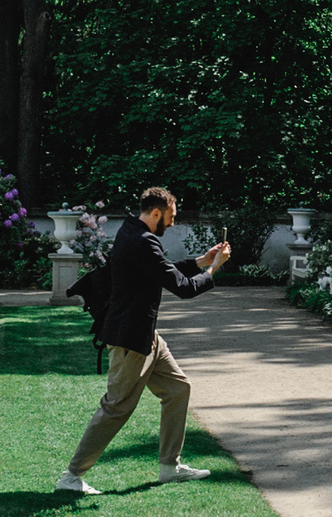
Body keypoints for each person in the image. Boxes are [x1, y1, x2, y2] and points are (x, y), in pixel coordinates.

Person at [56, 187, 230, 493]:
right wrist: (214, 269)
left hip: (146, 335)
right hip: (130, 339)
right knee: (116, 407)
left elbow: (162, 272)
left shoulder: (132, 232)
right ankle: (72, 476)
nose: (173, 223)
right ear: (156, 213)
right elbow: (184, 288)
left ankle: (169, 467)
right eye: (171, 217)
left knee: (177, 389)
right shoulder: (142, 241)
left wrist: (201, 261)